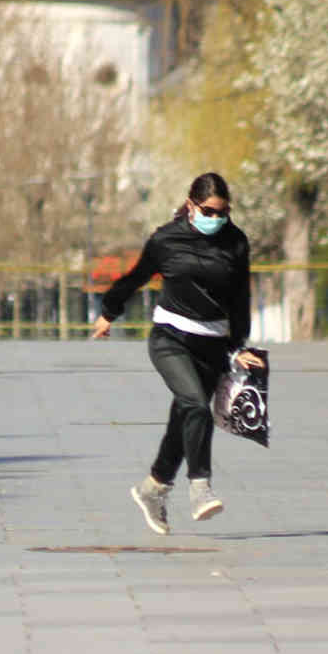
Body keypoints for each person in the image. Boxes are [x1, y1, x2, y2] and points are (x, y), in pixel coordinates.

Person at [91, 172, 264, 534]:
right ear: (190, 205)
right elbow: (135, 277)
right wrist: (108, 313)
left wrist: (239, 346)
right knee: (196, 406)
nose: (215, 219)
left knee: (184, 421)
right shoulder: (166, 239)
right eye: (208, 211)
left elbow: (240, 299)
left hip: (213, 345)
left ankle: (152, 489)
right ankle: (200, 487)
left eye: (223, 212)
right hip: (170, 338)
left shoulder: (235, 242)